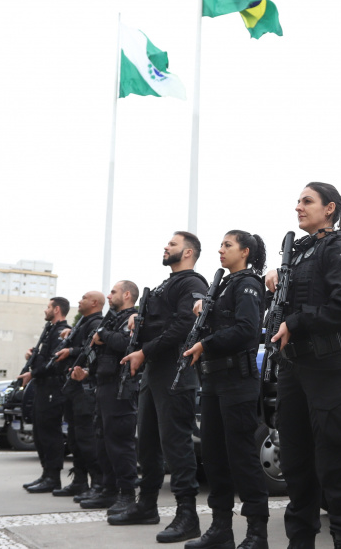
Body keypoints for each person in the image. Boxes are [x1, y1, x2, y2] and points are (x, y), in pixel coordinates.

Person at [265, 182, 341, 549]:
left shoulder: (338, 248)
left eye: (307, 201)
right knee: (296, 467)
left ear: (330, 209)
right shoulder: (297, 255)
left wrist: (296, 321)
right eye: (297, 201)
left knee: (336, 467)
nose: (298, 207)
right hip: (294, 369)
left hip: (328, 366)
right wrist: (275, 283)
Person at [110, 232, 208, 545]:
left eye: (173, 244)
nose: (166, 247)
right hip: (155, 372)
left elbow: (183, 326)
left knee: (176, 446)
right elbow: (159, 322)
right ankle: (147, 505)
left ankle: (187, 515)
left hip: (175, 372)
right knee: (147, 443)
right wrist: (138, 322)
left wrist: (144, 351)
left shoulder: (192, 283)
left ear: (189, 251)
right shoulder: (168, 283)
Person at [182, 231, 270, 549]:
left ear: (244, 252)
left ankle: (256, 533)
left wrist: (206, 343)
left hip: (237, 381)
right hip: (214, 382)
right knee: (215, 459)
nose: (220, 250)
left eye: (227, 245)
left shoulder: (248, 284)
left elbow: (247, 331)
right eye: (220, 245)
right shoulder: (221, 287)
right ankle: (221, 529)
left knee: (242, 458)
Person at [71, 280, 141, 514]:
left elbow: (125, 343)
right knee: (102, 440)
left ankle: (127, 494)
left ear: (128, 295)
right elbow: (103, 355)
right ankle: (107, 490)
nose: (109, 296)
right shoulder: (113, 319)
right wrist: (87, 372)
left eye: (113, 292)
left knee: (120, 443)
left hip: (120, 389)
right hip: (104, 387)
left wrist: (103, 335)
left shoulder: (132, 318)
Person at [52, 291, 105, 499]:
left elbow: (91, 350)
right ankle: (80, 481)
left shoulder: (96, 324)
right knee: (74, 438)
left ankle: (97, 483)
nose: (79, 301)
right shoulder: (83, 323)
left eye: (83, 298)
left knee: (86, 438)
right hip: (73, 386)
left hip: (86, 388)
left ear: (93, 303)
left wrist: (72, 352)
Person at [19, 297, 72, 493]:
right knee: (40, 433)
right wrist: (33, 364)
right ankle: (46, 473)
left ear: (56, 309)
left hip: (52, 389)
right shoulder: (51, 330)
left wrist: (33, 359)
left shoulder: (60, 332)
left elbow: (53, 363)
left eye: (48, 307)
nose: (45, 310)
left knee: (49, 433)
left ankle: (52, 477)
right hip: (44, 388)